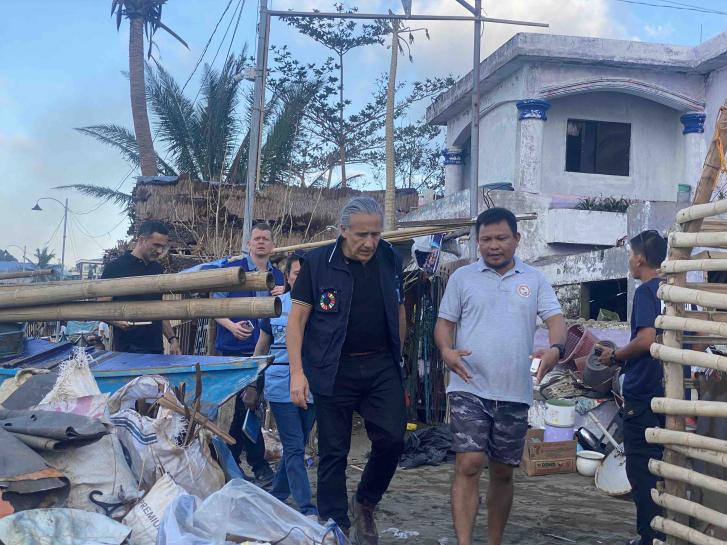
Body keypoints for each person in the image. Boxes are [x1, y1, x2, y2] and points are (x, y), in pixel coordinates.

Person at [433, 207, 566, 545]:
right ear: (477, 242)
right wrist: (447, 352)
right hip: (468, 384)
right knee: (469, 462)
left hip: (514, 391)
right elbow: (444, 325)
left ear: (516, 239)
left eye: (501, 238)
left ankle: (494, 541)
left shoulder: (534, 280)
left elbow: (556, 322)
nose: (494, 245)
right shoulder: (463, 278)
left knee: (503, 470)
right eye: (486, 239)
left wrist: (555, 350)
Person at [287, 196, 406, 544]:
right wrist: (298, 372)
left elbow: (398, 310)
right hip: (333, 367)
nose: (370, 242)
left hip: (381, 363)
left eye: (376, 234)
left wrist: (398, 356)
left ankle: (366, 501)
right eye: (361, 235)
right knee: (334, 452)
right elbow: (297, 321)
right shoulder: (317, 263)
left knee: (393, 439)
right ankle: (335, 525)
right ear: (342, 231)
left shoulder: (390, 258)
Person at [597, 230, 667, 545]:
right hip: (671, 392)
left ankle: (649, 537)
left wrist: (615, 355)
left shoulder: (645, 292)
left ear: (639, 258)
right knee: (667, 465)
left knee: (641, 468)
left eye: (630, 253)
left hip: (645, 392)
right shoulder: (674, 290)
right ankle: (665, 532)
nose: (629, 259)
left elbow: (646, 339)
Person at [214, 222, 284, 486]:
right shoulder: (233, 272)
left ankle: (237, 462)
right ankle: (253, 464)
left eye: (266, 238)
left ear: (272, 245)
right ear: (249, 244)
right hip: (233, 349)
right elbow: (214, 304)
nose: (261, 242)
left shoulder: (279, 277)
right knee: (237, 409)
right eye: (257, 238)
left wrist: (284, 293)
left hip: (264, 352)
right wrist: (231, 325)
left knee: (250, 409)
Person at [253, 250, 318, 520]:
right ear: (288, 277)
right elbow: (261, 347)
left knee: (297, 444)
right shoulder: (276, 305)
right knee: (294, 447)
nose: (301, 279)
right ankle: (307, 508)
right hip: (280, 384)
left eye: (306, 275)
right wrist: (250, 383)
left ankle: (277, 495)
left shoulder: (322, 308)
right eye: (296, 274)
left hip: (314, 386)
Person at [101, 220, 182, 355]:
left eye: (163, 247)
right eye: (156, 245)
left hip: (156, 347)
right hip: (126, 349)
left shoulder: (157, 269)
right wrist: (117, 321)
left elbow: (158, 309)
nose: (160, 251)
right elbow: (101, 307)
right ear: (141, 239)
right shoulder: (115, 267)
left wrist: (172, 339)